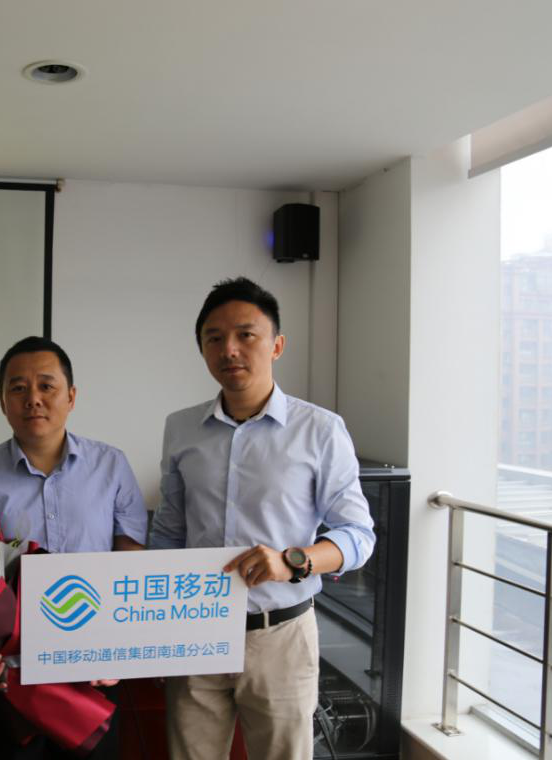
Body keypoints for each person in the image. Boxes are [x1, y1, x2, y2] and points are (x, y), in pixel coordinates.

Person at [149, 277, 375, 760]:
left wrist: (293, 561)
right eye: (214, 338)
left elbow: (359, 535)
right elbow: (169, 531)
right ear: (202, 349)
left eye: (245, 335)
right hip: (195, 631)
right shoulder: (181, 428)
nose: (229, 349)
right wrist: (159, 628)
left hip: (281, 635)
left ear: (276, 345)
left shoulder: (320, 430)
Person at [0, 335, 149, 759]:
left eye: (46, 386)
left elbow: (130, 557)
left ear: (71, 396)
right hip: (8, 675)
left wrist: (120, 651)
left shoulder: (111, 465)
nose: (33, 399)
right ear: (1, 401)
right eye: (18, 388)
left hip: (93, 668)